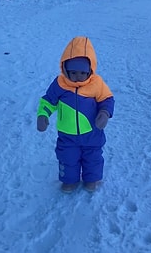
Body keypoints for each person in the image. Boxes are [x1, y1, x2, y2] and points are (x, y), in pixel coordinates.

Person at [37, 36, 115, 193]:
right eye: (72, 72)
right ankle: (69, 181)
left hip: (92, 133)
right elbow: (48, 101)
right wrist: (43, 115)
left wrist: (105, 112)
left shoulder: (96, 84)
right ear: (65, 68)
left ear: (90, 70)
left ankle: (91, 180)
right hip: (67, 134)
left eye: (82, 72)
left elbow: (107, 99)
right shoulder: (59, 84)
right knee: (67, 158)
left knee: (92, 158)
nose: (77, 76)